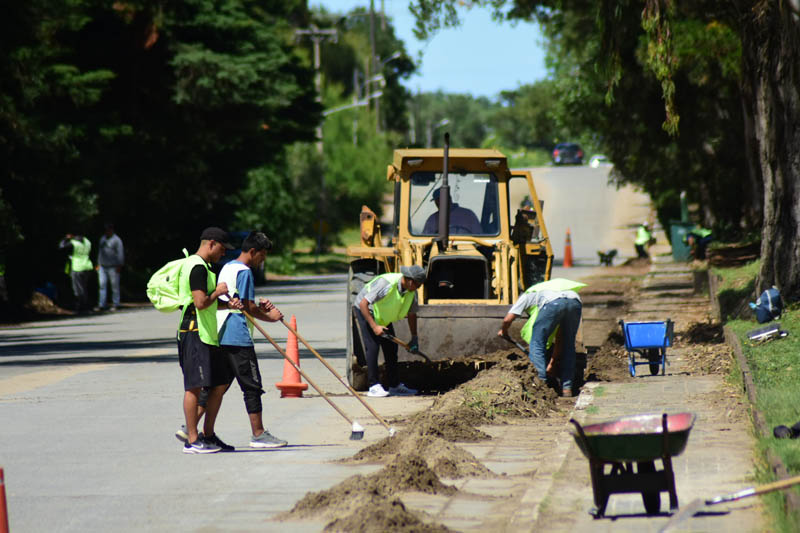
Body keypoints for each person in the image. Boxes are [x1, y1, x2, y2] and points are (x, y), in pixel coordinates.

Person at [215, 231, 288, 448]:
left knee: (218, 385)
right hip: (238, 335)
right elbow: (248, 307)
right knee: (252, 385)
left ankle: (192, 429)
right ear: (253, 252)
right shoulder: (245, 272)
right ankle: (258, 434)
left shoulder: (227, 267)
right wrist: (271, 317)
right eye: (262, 255)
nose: (263, 260)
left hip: (220, 330)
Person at [177, 227, 242, 454]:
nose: (223, 254)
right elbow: (200, 302)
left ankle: (209, 434)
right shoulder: (196, 267)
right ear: (211, 244)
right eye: (222, 249)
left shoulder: (205, 267)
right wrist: (218, 292)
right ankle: (192, 440)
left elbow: (208, 303)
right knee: (194, 387)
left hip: (207, 334)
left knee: (220, 383)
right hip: (194, 333)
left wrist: (226, 304)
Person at [497, 278, 586, 397]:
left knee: (537, 343)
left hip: (552, 304)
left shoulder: (527, 295)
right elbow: (560, 339)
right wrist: (552, 364)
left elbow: (507, 319)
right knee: (568, 345)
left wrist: (504, 330)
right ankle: (567, 388)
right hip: (575, 302)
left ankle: (540, 384)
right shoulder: (560, 290)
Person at [353, 265, 426, 397]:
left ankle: (394, 386)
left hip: (382, 315)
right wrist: (375, 326)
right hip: (366, 310)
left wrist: (414, 337)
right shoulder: (386, 284)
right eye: (418, 284)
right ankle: (373, 386)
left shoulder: (411, 292)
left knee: (391, 348)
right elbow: (364, 303)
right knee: (373, 347)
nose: (419, 288)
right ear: (410, 281)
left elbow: (411, 314)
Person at [59, 233, 94, 313]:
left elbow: (61, 246)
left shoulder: (74, 243)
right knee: (84, 288)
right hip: (87, 266)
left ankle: (80, 308)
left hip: (77, 267)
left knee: (77, 289)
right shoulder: (87, 241)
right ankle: (86, 307)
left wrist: (66, 238)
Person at [96, 223, 124, 311]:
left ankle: (116, 303)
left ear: (112, 230)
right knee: (102, 285)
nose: (107, 232)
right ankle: (101, 304)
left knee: (114, 285)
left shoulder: (117, 240)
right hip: (103, 266)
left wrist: (120, 264)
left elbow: (120, 253)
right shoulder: (102, 239)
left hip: (113, 266)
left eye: (109, 230)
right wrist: (98, 263)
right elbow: (100, 252)